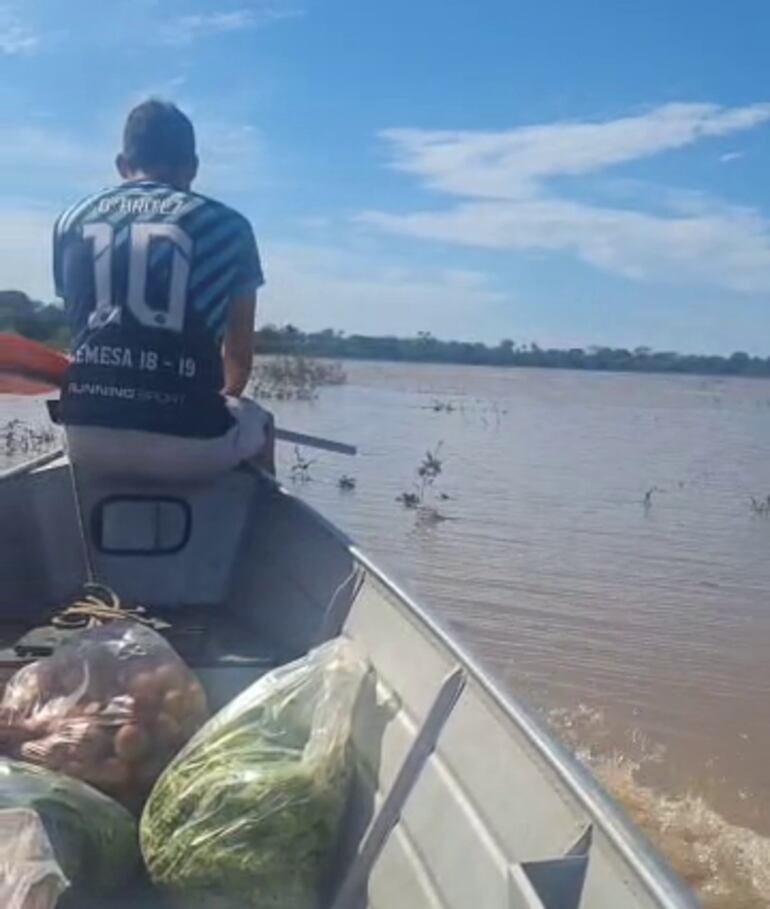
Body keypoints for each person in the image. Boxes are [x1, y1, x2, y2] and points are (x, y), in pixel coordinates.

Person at [52, 99, 274, 482]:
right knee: (262, 423)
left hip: (85, 438)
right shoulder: (230, 227)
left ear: (122, 164)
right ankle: (255, 521)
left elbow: (79, 329)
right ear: (193, 167)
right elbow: (238, 359)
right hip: (194, 447)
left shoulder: (69, 221)